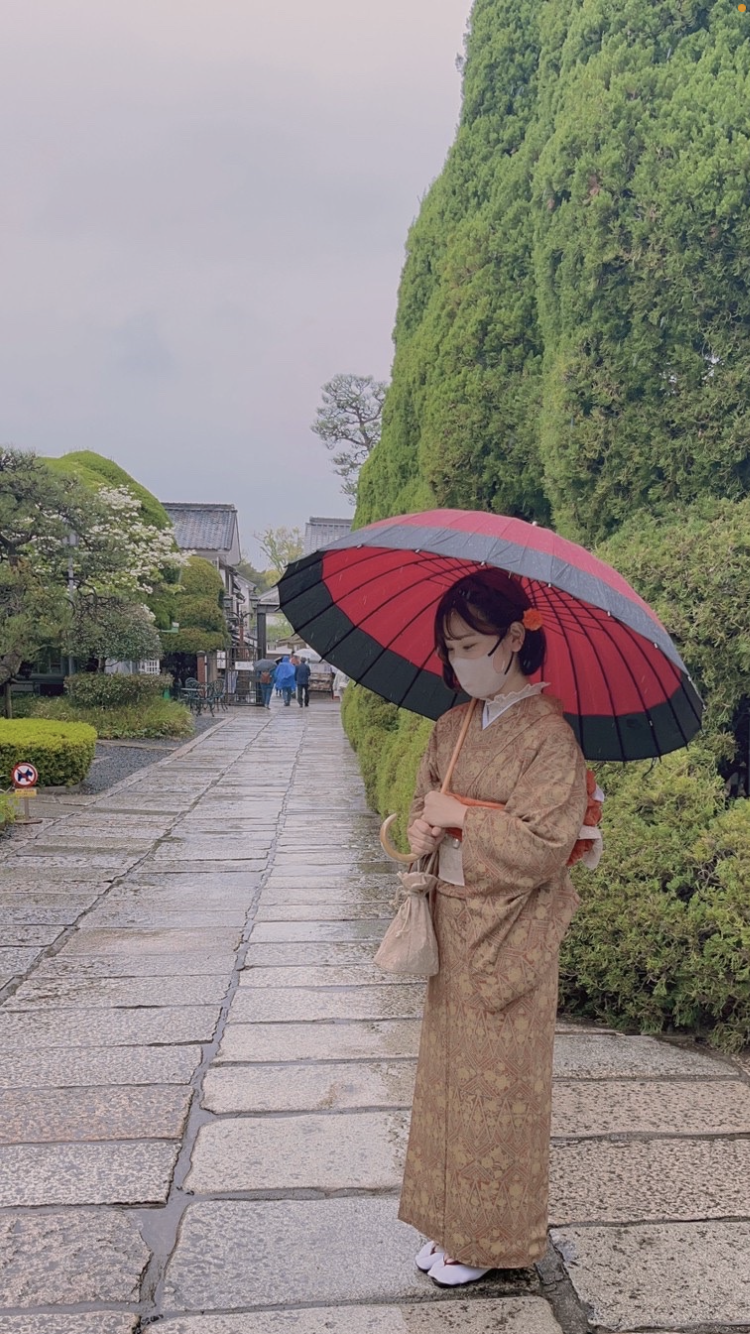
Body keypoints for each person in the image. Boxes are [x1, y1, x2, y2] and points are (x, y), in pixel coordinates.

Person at [399, 569, 588, 1287]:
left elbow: (546, 843)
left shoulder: (550, 738)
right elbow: (425, 802)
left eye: (472, 644)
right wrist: (423, 824)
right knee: (446, 1086)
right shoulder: (451, 726)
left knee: (498, 1094)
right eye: (449, 648)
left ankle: (492, 1240)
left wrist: (462, 819)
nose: (458, 661)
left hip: (511, 936)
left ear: (515, 638)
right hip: (453, 927)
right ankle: (447, 1223)